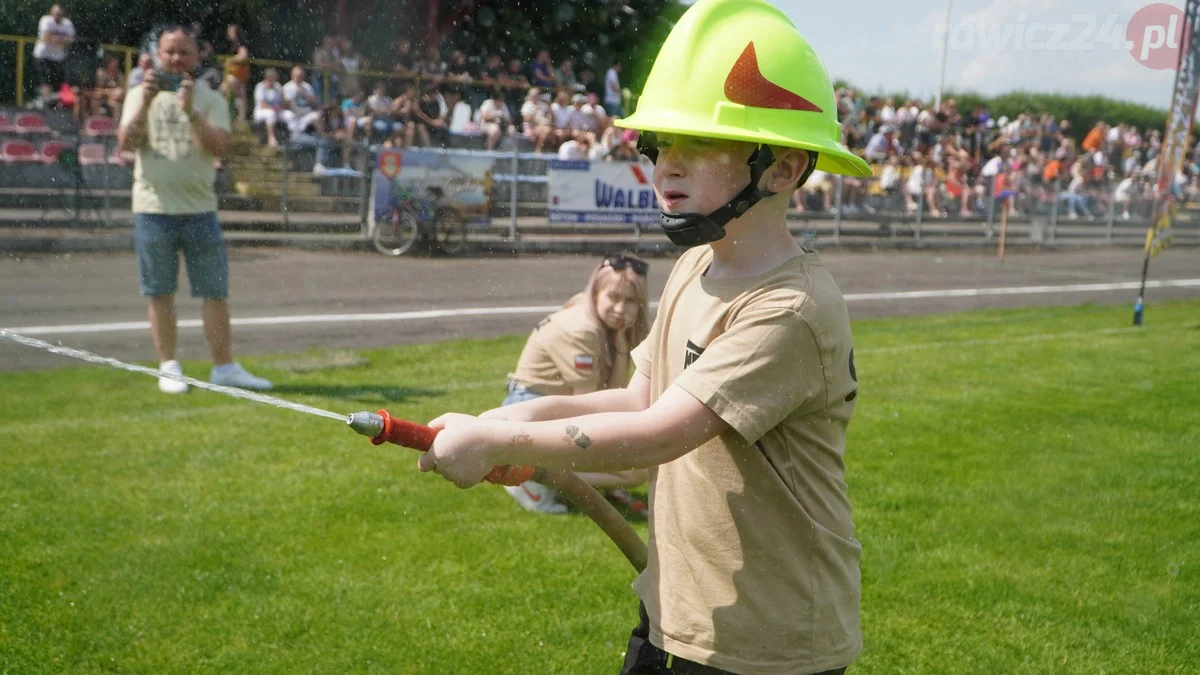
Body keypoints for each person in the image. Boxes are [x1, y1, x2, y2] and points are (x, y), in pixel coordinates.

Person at [415, 0, 867, 673]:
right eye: (660, 144)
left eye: (699, 144)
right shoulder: (694, 265)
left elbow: (663, 432)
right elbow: (637, 401)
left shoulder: (790, 308)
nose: (666, 167)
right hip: (675, 616)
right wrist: (505, 418)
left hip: (766, 643)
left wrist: (501, 441)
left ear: (784, 168)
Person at [117, 25, 272, 394]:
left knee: (214, 291)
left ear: (196, 56)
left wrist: (190, 113)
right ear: (157, 55)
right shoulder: (138, 93)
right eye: (169, 51)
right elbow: (127, 142)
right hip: (153, 207)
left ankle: (224, 367)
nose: (175, 58)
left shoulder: (210, 98)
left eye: (183, 52)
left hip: (200, 208)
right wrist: (147, 103)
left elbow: (220, 146)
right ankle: (169, 366)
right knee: (160, 291)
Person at [501, 254, 653, 515]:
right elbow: (594, 406)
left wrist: (618, 344)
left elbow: (610, 399)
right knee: (635, 469)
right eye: (613, 297)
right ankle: (531, 474)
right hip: (532, 412)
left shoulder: (589, 312)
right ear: (596, 292)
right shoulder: (583, 330)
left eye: (630, 301)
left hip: (539, 406)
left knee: (629, 456)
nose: (621, 309)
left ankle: (551, 470)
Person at [32, 4, 75, 105]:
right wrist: (62, 39)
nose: (57, 16)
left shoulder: (67, 23)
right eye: (56, 14)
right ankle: (46, 102)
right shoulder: (46, 20)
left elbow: (71, 39)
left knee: (59, 82)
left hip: (58, 57)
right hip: (43, 55)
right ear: (51, 13)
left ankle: (58, 104)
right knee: (45, 80)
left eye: (59, 14)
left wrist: (55, 38)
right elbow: (47, 37)